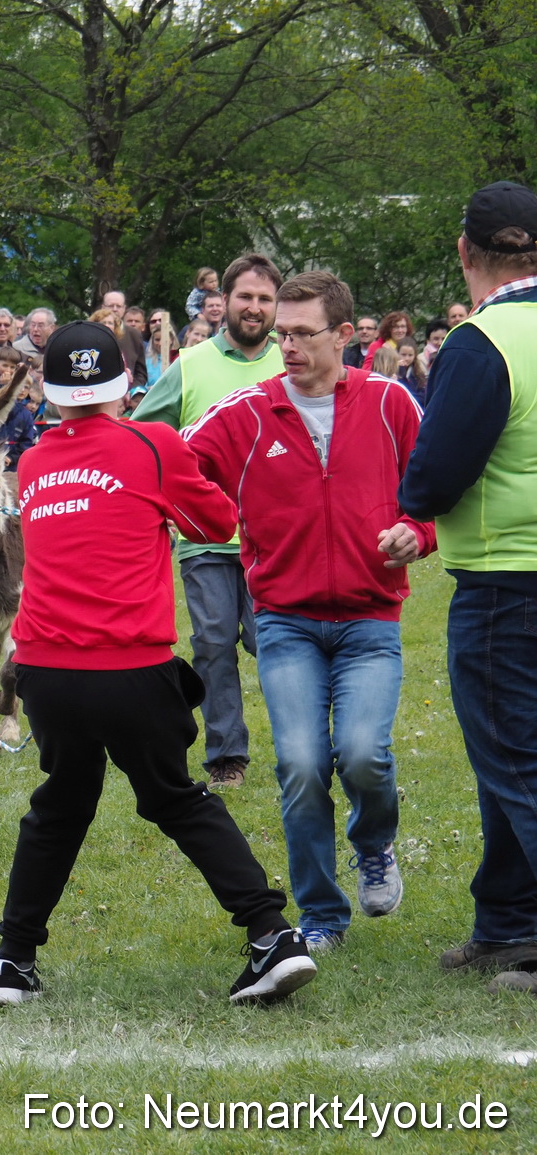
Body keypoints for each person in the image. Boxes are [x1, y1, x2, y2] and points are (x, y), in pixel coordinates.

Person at [0, 320, 314, 1007]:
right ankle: (271, 934)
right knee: (175, 797)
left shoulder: (36, 461)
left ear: (49, 391)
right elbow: (215, 522)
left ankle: (11, 963)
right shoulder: (154, 442)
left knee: (61, 805)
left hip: (45, 669)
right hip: (131, 665)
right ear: (126, 384)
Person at [184, 270, 431, 955]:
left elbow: (432, 483)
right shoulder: (247, 410)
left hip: (369, 618)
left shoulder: (391, 403)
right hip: (284, 619)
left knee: (362, 754)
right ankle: (322, 911)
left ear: (345, 335)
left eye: (301, 333)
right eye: (282, 333)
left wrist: (419, 531)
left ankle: (373, 840)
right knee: (298, 761)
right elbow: (176, 460)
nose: (285, 345)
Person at [398, 180, 537, 991]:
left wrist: (413, 496)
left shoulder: (482, 343)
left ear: (465, 253)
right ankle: (510, 924)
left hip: (506, 583)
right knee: (508, 763)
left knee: (516, 760)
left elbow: (434, 477)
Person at [134, 252, 285, 790]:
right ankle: (227, 755)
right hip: (207, 537)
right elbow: (141, 433)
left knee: (274, 642)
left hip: (279, 539)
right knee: (215, 642)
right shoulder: (191, 365)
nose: (254, 307)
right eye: (245, 296)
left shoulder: (290, 365)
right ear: (224, 302)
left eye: (265, 299)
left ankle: (301, 747)